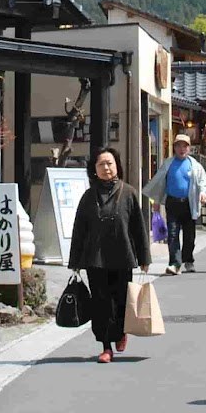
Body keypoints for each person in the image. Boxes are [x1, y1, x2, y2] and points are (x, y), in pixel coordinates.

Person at [67, 147, 151, 363]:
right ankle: (106, 346)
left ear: (117, 166)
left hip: (123, 255)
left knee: (122, 300)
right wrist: (75, 261)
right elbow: (79, 230)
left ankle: (121, 332)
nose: (106, 168)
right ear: (94, 169)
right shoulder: (88, 197)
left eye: (109, 163)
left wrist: (144, 258)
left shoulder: (129, 193)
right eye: (101, 164)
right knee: (101, 303)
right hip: (95, 258)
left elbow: (138, 229)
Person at [143, 133, 206, 274]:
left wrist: (204, 193)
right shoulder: (168, 163)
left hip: (189, 204)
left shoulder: (195, 165)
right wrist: (156, 201)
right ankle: (174, 263)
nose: (182, 149)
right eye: (179, 146)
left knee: (189, 235)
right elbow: (159, 183)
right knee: (172, 234)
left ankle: (189, 260)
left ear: (189, 148)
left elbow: (203, 182)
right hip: (172, 203)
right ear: (174, 148)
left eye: (185, 146)